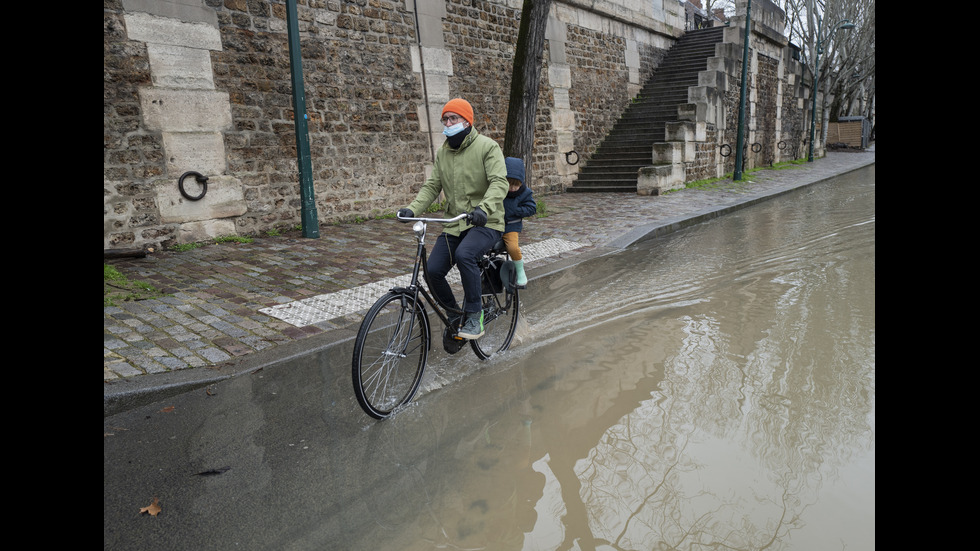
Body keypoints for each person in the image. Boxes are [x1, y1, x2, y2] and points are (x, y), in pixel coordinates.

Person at [397, 98, 508, 339]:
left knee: (465, 254)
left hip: (486, 222)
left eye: (453, 118)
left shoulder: (488, 147)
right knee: (432, 270)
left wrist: (484, 209)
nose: (448, 123)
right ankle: (454, 315)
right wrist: (412, 209)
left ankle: (474, 315)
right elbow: (433, 185)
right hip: (455, 223)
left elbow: (500, 182)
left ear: (467, 121)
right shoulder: (443, 152)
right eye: (445, 119)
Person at [502, 157, 536, 287]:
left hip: (511, 226)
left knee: (512, 247)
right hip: (495, 225)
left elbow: (531, 208)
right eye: (509, 183)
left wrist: (516, 210)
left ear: (521, 183)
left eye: (516, 185)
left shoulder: (524, 193)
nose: (512, 188)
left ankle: (520, 270)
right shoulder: (498, 190)